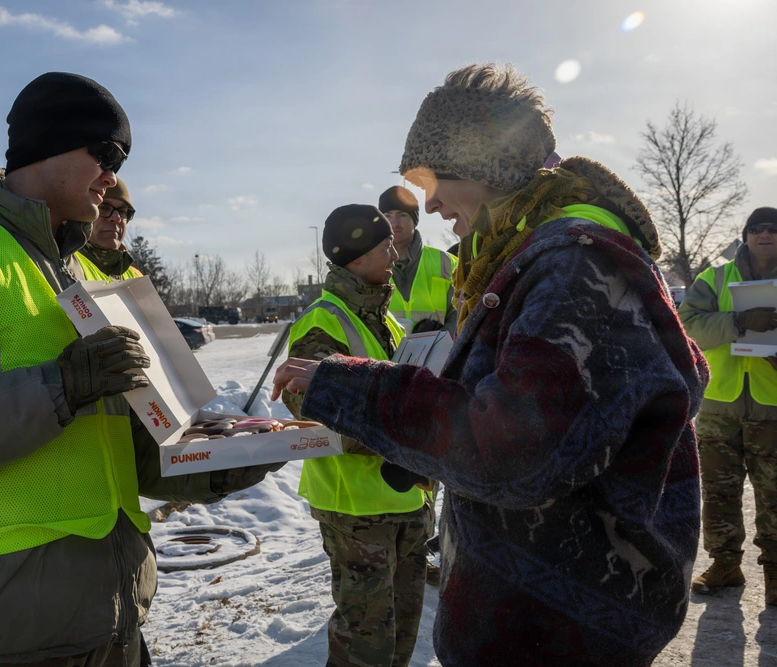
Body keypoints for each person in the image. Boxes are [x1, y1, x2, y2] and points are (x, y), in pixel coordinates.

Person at [272, 63, 705, 666]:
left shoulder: (574, 265)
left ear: (484, 163)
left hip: (561, 631)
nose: (430, 202)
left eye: (432, 178)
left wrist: (350, 389)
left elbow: (512, 448)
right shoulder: (539, 254)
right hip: (547, 617)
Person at [0, 72, 280, 667]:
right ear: (48, 145)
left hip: (110, 623)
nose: (112, 175)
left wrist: (232, 461)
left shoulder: (84, 279)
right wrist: (62, 386)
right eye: (104, 153)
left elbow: (123, 454)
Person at [282, 204, 432, 667]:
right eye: (384, 244)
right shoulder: (323, 321)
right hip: (355, 511)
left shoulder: (385, 319)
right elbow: (313, 414)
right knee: (365, 642)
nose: (394, 252)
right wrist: (402, 426)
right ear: (355, 254)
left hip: (405, 501)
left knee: (402, 634)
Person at [679, 206, 777, 602]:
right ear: (747, 234)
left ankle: (775, 569)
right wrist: (738, 322)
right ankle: (725, 563)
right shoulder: (715, 278)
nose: (766, 235)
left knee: (773, 492)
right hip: (720, 402)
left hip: (772, 406)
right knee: (719, 490)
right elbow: (687, 324)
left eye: (773, 229)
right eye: (757, 228)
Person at [379, 185, 458, 335]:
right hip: (384, 355)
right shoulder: (370, 265)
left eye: (402, 214)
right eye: (388, 215)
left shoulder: (447, 262)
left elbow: (460, 312)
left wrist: (439, 339)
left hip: (437, 355)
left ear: (414, 219)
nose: (394, 223)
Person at [75, 177, 144, 281]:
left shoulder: (135, 278)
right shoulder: (64, 264)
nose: (116, 218)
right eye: (104, 208)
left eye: (122, 211)